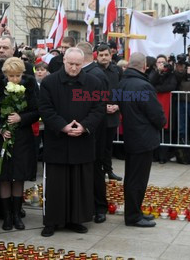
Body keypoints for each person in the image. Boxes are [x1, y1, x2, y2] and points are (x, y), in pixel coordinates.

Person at [38, 47, 105, 237]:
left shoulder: (94, 82)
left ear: (83, 63)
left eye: (78, 64)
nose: (74, 68)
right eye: (70, 64)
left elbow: (98, 109)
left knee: (80, 184)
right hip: (57, 140)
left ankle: (76, 219)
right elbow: (45, 108)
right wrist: (62, 126)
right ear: (64, 61)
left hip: (82, 141)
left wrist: (84, 126)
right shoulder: (50, 82)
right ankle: (52, 221)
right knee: (56, 185)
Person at [0, 58, 39, 231]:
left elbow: (36, 110)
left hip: (22, 137)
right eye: (11, 76)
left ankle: (17, 214)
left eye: (17, 75)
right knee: (4, 176)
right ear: (4, 74)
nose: (14, 79)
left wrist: (21, 118)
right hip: (1, 137)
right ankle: (6, 215)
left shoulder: (30, 86)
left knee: (18, 175)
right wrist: (0, 130)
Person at [118, 53, 166, 228]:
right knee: (137, 180)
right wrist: (162, 123)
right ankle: (133, 216)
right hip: (143, 137)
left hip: (131, 135)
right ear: (144, 65)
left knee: (132, 177)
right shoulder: (143, 86)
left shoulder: (123, 83)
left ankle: (134, 211)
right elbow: (155, 113)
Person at [76, 42, 109, 224]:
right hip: (86, 130)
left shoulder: (96, 75)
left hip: (95, 131)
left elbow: (98, 106)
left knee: (95, 170)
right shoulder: (87, 72)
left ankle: (99, 207)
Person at [96, 44, 123, 180]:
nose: (104, 57)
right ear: (97, 56)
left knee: (108, 145)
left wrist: (118, 106)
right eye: (101, 55)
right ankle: (98, 170)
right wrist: (102, 107)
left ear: (110, 55)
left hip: (113, 114)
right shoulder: (94, 71)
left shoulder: (117, 70)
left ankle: (108, 170)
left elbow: (122, 89)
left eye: (106, 55)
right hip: (98, 115)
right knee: (98, 145)